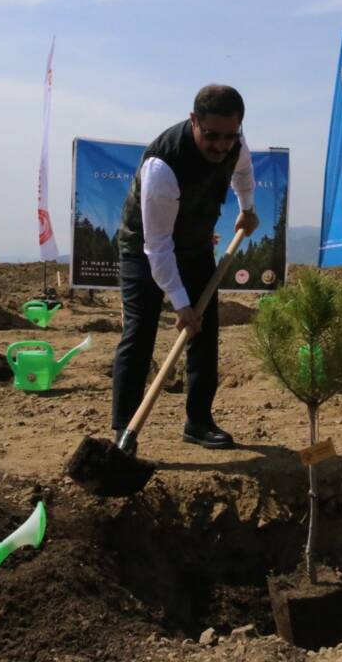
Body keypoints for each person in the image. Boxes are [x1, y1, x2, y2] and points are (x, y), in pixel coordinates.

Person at [111, 84, 259, 452]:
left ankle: (199, 422)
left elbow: (243, 171)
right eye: (212, 136)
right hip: (143, 248)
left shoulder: (235, 145)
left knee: (204, 332)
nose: (222, 145)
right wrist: (180, 304)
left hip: (195, 243)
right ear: (194, 121)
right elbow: (157, 246)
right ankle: (124, 431)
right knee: (140, 331)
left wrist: (247, 207)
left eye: (230, 135)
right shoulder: (163, 166)